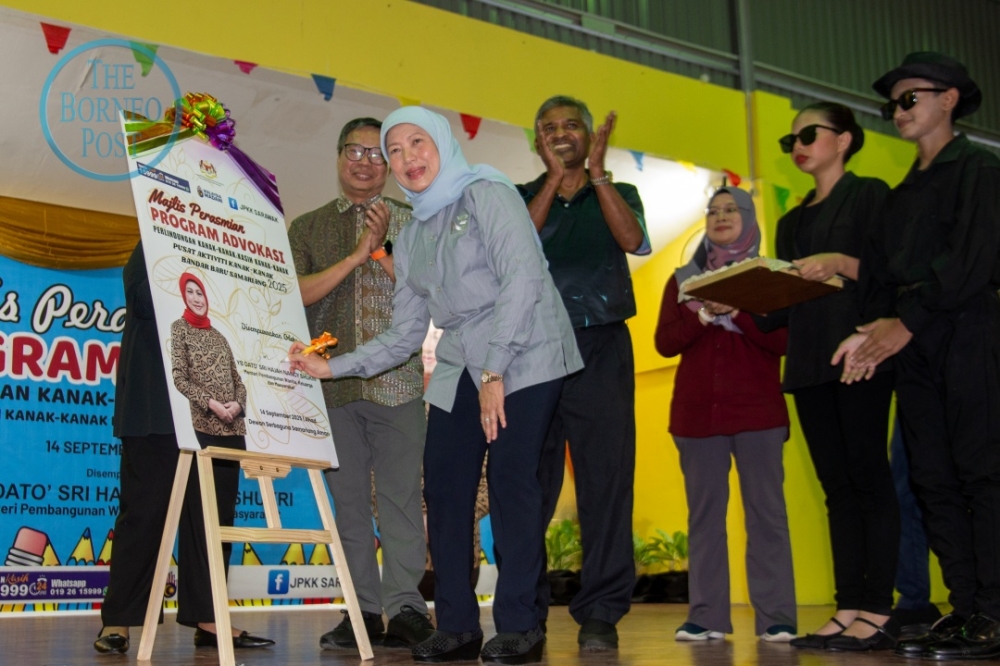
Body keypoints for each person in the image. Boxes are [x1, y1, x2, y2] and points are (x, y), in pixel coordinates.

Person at [288, 106, 582, 664]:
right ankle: (458, 624)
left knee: (513, 479)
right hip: (459, 357)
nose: (406, 158)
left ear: (443, 144)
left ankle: (521, 623)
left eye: (415, 143)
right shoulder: (416, 231)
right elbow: (404, 334)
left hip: (526, 345)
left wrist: (496, 371)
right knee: (445, 487)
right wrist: (333, 367)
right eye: (395, 151)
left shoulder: (489, 193)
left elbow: (523, 278)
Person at [834, 52, 1000, 660]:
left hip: (969, 331)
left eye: (910, 99)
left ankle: (994, 610)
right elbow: (881, 277)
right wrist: (870, 331)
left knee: (981, 471)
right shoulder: (902, 194)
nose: (898, 111)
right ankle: (966, 610)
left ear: (949, 100)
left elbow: (971, 262)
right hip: (917, 344)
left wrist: (906, 320)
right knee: (932, 478)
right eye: (893, 103)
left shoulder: (979, 171)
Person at [288, 117, 434, 651]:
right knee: (347, 503)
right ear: (339, 157)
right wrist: (353, 255)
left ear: (391, 164)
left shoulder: (416, 219)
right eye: (356, 150)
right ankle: (362, 612)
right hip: (331, 387)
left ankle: (406, 609)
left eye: (378, 153)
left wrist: (378, 250)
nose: (366, 161)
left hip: (399, 383)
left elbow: (431, 292)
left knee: (400, 498)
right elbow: (294, 295)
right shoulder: (308, 227)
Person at [518, 95, 649, 651]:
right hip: (535, 347)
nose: (560, 133)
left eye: (571, 125)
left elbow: (635, 242)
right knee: (527, 484)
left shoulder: (618, 192)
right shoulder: (521, 194)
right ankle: (526, 609)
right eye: (548, 128)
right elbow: (517, 249)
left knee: (607, 481)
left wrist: (597, 177)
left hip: (602, 345)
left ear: (590, 135)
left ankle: (600, 611)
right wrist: (551, 180)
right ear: (537, 141)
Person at [95, 245, 273, 654]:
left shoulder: (226, 247)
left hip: (219, 415)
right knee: (144, 513)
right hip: (155, 406)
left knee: (212, 517)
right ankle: (119, 620)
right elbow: (141, 299)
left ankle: (209, 619)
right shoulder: (150, 237)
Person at [769, 103, 900, 651]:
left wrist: (841, 262)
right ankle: (847, 606)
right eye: (790, 138)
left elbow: (897, 273)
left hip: (860, 351)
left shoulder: (870, 195)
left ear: (844, 140)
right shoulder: (790, 222)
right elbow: (777, 308)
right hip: (807, 362)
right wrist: (730, 299)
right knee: (837, 488)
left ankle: (878, 607)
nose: (797, 143)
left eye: (809, 133)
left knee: (869, 476)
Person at [655, 187, 797, 644]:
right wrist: (701, 318)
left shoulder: (770, 277)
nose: (720, 217)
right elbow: (664, 342)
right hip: (697, 420)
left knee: (767, 516)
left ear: (749, 217)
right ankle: (708, 617)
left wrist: (740, 309)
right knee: (704, 518)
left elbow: (785, 343)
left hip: (758, 414)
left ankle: (777, 617)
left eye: (730, 210)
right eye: (713, 211)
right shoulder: (683, 280)